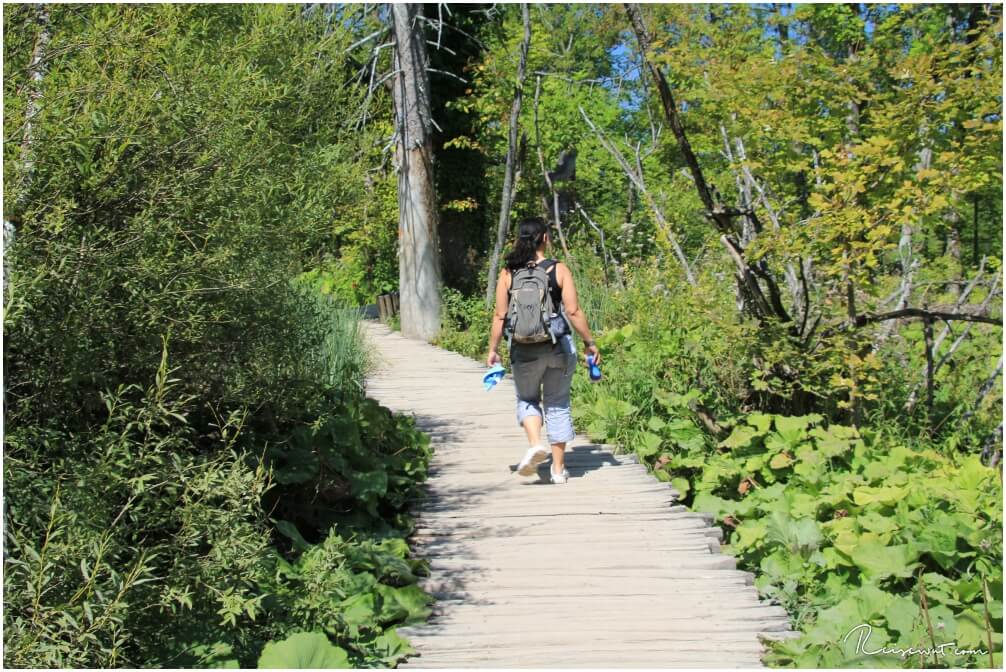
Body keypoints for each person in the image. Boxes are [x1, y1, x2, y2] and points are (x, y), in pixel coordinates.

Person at [487, 217, 601, 484]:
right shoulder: (558, 269)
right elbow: (572, 311)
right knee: (558, 403)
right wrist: (589, 342)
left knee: (527, 399)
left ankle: (535, 443)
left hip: (523, 349)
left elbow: (499, 316)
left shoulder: (508, 273)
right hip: (557, 345)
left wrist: (493, 349)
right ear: (545, 239)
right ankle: (558, 470)